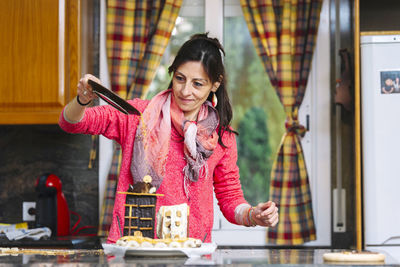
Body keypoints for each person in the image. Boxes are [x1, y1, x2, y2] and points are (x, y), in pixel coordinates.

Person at [59, 33, 279, 244]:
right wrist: (82, 100)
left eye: (197, 83)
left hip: (193, 253)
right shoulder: (138, 117)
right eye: (180, 78)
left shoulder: (221, 137)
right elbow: (71, 123)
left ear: (215, 84)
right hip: (134, 248)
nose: (185, 91)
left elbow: (230, 198)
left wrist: (252, 215)